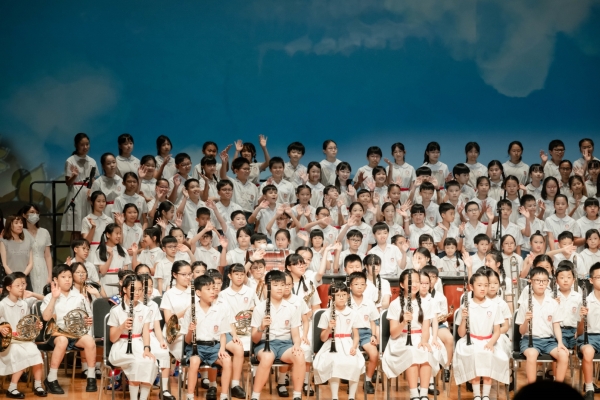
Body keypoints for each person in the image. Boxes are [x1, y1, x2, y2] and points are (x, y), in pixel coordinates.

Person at [250, 270, 306, 400]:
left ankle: (297, 395)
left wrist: (297, 345)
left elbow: (295, 335)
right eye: (275, 285)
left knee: (299, 355)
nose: (280, 288)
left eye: (282, 284)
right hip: (264, 344)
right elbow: (255, 339)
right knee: (267, 357)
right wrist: (261, 327)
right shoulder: (259, 308)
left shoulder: (292, 308)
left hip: (285, 345)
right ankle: (255, 396)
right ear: (267, 286)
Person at [41, 264, 97, 394]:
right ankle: (51, 378)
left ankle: (91, 377)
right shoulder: (49, 297)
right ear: (55, 279)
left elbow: (88, 316)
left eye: (70, 277)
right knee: (63, 340)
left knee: (90, 341)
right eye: (63, 277)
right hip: (56, 334)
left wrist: (87, 321)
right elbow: (46, 317)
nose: (67, 280)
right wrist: (54, 298)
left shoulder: (80, 297)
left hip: (75, 333)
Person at [453, 271, 510, 398]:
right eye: (479, 285)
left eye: (486, 285)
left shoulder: (494, 306)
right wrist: (464, 319)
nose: (483, 288)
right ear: (471, 287)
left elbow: (497, 331)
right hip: (470, 341)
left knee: (489, 356)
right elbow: (461, 334)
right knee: (475, 356)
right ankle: (477, 395)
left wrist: (491, 343)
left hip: (488, 340)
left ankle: (486, 395)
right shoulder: (465, 306)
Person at [382, 268, 435, 400]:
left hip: (420, 337)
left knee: (426, 352)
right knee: (412, 352)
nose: (415, 285)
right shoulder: (394, 304)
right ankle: (414, 394)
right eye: (411, 282)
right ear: (401, 284)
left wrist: (424, 341)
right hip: (401, 339)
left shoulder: (425, 303)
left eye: (417, 281)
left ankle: (424, 393)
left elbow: (426, 328)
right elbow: (393, 334)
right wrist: (403, 323)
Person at [312, 281, 366, 399]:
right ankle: (334, 397)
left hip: (348, 343)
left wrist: (354, 347)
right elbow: (323, 338)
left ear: (348, 295)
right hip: (331, 344)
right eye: (338, 295)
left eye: (344, 294)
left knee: (355, 364)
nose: (341, 298)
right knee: (334, 363)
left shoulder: (353, 313)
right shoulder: (326, 314)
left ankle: (351, 396)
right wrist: (329, 328)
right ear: (331, 297)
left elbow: (356, 336)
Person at [515, 266, 569, 384]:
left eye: (544, 281)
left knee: (564, 355)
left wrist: (560, 343)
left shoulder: (553, 303)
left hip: (549, 340)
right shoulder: (525, 303)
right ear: (531, 281)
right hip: (530, 340)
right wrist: (526, 320)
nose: (541, 283)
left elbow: (556, 326)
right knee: (531, 354)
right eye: (537, 280)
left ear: (548, 282)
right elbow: (521, 331)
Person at [183, 275, 233, 400]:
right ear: (198, 293)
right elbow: (187, 340)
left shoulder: (220, 310)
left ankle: (224, 395)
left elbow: (222, 334)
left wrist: (222, 349)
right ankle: (190, 396)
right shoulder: (191, 311)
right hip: (196, 347)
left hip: (214, 347)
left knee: (227, 360)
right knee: (194, 362)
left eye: (213, 288)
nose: (212, 291)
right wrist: (190, 330)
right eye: (208, 289)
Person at [108, 274, 157, 400]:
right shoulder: (116, 310)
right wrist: (122, 327)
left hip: (138, 343)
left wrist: (147, 349)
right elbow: (112, 338)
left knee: (150, 362)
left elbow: (145, 332)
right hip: (121, 345)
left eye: (140, 289)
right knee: (137, 363)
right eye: (133, 289)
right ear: (124, 289)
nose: (137, 293)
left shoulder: (145, 309)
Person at [0, 272, 46, 398]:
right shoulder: (2, 304)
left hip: (21, 340)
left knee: (36, 353)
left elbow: (25, 324)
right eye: (18, 285)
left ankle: (38, 385)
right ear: (9, 288)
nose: (21, 287)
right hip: (7, 343)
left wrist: (35, 326)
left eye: (22, 285)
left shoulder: (24, 304)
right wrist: (1, 328)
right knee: (20, 353)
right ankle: (12, 388)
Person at [61, 133, 97, 238]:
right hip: (75, 193)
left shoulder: (92, 161)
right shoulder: (70, 160)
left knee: (87, 228)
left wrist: (93, 191)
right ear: (76, 145)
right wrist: (74, 176)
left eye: (87, 144)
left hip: (88, 194)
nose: (85, 147)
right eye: (82, 145)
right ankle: (74, 249)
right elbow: (68, 183)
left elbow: (93, 180)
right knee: (76, 229)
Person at [348, 271, 379, 394]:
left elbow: (373, 321)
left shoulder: (369, 302)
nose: (359, 287)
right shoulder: (346, 300)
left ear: (366, 286)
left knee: (374, 354)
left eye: (362, 284)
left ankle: (367, 380)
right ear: (350, 286)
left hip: (366, 333)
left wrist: (374, 335)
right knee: (350, 355)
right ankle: (350, 381)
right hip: (349, 334)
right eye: (356, 284)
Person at [160, 260, 192, 362]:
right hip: (176, 332)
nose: (188, 277)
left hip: (193, 328)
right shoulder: (169, 294)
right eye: (184, 274)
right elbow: (168, 320)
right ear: (175, 275)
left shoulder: (195, 291)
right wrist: (186, 311)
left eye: (189, 274)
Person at [578, 261, 600, 400]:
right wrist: (582, 318)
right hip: (589, 336)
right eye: (599, 277)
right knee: (588, 352)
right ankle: (589, 388)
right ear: (591, 280)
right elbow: (579, 331)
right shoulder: (585, 301)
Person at [19, 204, 52, 294]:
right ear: (24, 215)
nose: (35, 215)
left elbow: (48, 255)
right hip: (28, 267)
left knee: (44, 294)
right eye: (32, 212)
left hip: (42, 266)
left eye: (37, 213)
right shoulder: (21, 232)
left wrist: (50, 275)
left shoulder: (44, 232)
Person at [95, 223, 131, 297]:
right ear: (108, 235)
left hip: (120, 283)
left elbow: (125, 272)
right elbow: (103, 271)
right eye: (117, 233)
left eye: (120, 233)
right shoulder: (100, 251)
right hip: (106, 283)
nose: (119, 236)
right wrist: (110, 256)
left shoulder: (123, 251)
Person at [0, 215, 34, 291]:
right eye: (16, 223)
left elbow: (30, 263)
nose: (20, 225)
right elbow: (4, 264)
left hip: (25, 279)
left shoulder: (28, 242)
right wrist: (15, 278)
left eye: (21, 223)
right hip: (10, 279)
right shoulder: (4, 242)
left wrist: (22, 277)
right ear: (9, 225)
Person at [81, 191, 113, 263]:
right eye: (98, 201)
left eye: (103, 201)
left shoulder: (109, 220)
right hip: (92, 251)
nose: (101, 204)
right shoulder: (86, 219)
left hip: (106, 250)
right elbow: (86, 242)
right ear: (92, 202)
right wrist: (93, 228)